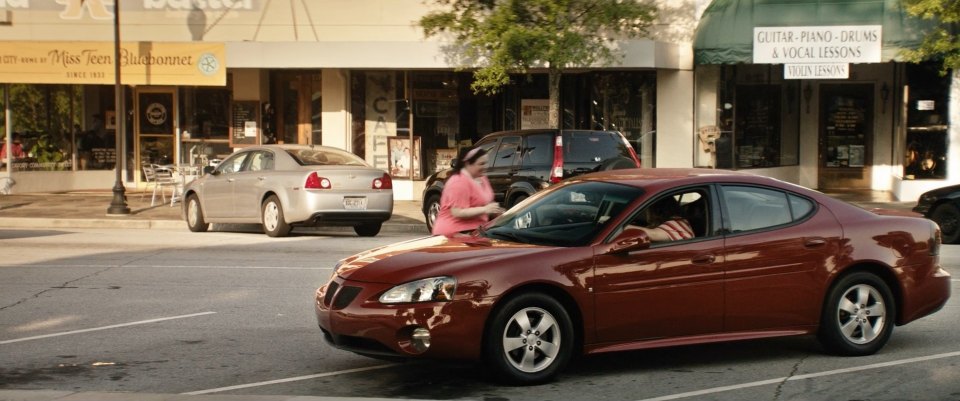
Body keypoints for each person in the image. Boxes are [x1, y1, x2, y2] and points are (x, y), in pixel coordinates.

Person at [432, 147, 505, 237]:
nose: (485, 166)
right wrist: (485, 209)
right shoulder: (458, 182)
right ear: (467, 164)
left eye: (486, 163)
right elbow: (457, 212)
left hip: (476, 231)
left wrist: (505, 214)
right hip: (455, 233)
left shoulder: (482, 178)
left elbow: (488, 202)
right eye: (481, 164)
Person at [629, 198, 694, 242]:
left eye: (646, 209)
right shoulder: (664, 223)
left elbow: (654, 234)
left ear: (656, 211)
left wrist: (623, 227)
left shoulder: (676, 224)